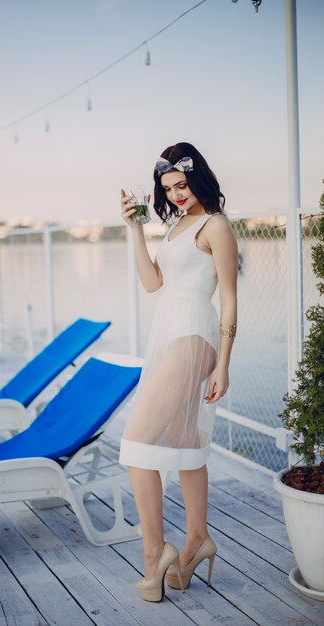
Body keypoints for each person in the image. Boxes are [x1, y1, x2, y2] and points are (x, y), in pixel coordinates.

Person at [119, 142, 238, 602]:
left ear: (198, 179)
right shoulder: (174, 227)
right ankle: (196, 540)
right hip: (167, 335)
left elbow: (229, 297)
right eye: (168, 188)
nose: (176, 194)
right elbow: (153, 285)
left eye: (182, 185)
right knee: (187, 444)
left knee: (136, 443)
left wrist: (223, 365)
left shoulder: (216, 226)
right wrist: (135, 229)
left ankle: (154, 554)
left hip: (195, 335)